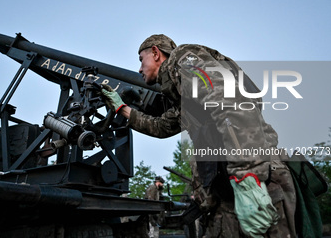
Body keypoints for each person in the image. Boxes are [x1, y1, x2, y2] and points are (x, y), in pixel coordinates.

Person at [101, 34, 297, 237]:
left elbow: (231, 105)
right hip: (227, 188)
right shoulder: (183, 97)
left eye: (141, 60)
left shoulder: (185, 60)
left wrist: (247, 177)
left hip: (255, 181)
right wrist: (122, 108)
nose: (140, 69)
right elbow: (160, 127)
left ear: (156, 52)